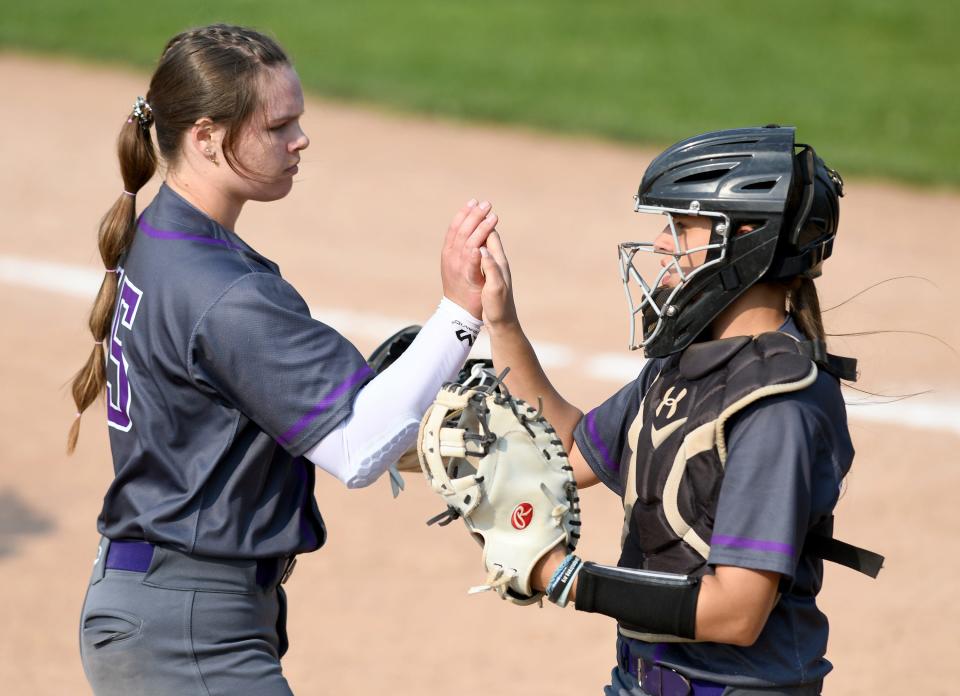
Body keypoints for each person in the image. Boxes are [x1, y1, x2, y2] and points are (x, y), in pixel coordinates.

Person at [71, 24, 498, 695]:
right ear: (208, 137)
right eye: (279, 126)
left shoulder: (159, 236)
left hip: (166, 607)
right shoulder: (226, 294)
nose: (299, 140)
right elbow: (356, 450)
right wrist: (459, 313)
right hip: (189, 632)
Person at [477, 126, 881, 695]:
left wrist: (561, 577)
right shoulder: (688, 363)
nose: (663, 245)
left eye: (681, 226)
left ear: (747, 239)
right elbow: (566, 450)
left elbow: (736, 613)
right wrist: (503, 323)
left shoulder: (776, 409)